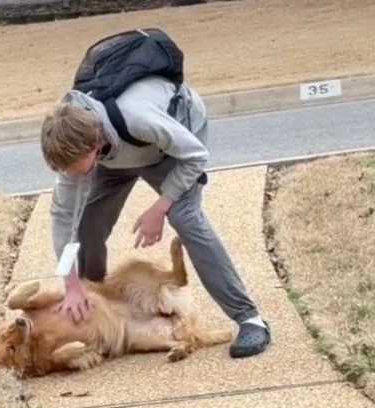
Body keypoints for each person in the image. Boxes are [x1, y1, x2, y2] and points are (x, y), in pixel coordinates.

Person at [40, 66, 271, 359]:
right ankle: (95, 309)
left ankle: (249, 319)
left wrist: (161, 206)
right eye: (64, 168)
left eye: (73, 165)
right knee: (87, 224)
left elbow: (196, 155)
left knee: (184, 218)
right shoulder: (71, 148)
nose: (69, 174)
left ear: (93, 145)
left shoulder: (139, 119)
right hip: (114, 158)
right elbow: (63, 220)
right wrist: (70, 285)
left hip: (169, 150)